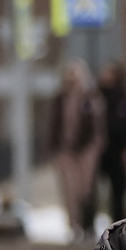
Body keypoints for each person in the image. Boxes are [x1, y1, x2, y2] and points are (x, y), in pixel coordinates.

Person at [47, 60, 106, 236]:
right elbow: (54, 124)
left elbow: (95, 124)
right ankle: (74, 225)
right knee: (68, 190)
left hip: (85, 149)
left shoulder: (90, 97)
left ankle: (87, 223)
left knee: (85, 189)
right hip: (64, 150)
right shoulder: (60, 99)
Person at [96, 62, 126, 228]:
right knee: (92, 190)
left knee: (118, 190)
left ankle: (117, 224)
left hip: (118, 151)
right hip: (98, 151)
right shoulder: (97, 99)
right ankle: (88, 223)